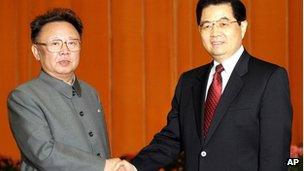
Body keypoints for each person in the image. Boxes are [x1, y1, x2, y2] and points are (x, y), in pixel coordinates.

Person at [131, 0, 292, 170]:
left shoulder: (269, 78)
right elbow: (171, 139)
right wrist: (132, 167)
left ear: (242, 27)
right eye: (207, 25)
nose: (215, 32)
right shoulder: (188, 81)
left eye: (223, 23)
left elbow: (274, 157)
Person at [7, 8, 133, 171]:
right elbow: (44, 153)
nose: (65, 51)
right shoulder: (24, 97)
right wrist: (104, 166)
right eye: (55, 43)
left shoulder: (90, 92)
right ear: (36, 52)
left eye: (72, 43)